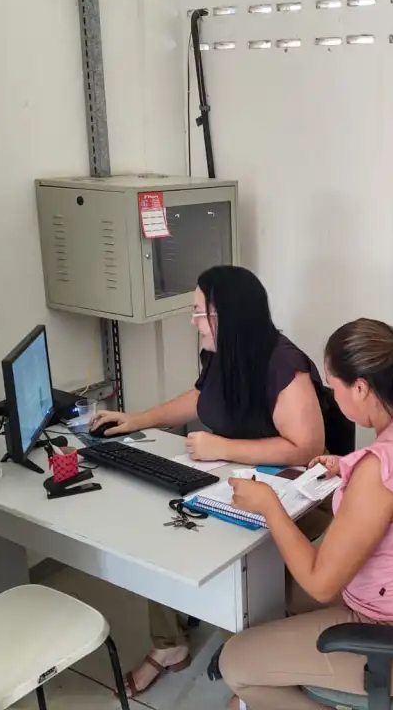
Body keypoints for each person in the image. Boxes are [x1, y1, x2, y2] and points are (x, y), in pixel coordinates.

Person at [89, 265, 328, 698]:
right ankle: (169, 645)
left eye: (199, 312)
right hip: (229, 482)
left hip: (285, 499)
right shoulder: (222, 351)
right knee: (164, 528)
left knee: (213, 550)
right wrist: (138, 419)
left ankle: (252, 668)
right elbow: (201, 397)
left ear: (226, 317)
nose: (192, 321)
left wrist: (222, 446)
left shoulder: (282, 363)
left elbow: (306, 448)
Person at [219, 319, 393, 710]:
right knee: (269, 589)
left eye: (332, 385)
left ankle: (263, 685)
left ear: (360, 388)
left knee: (235, 663)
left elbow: (321, 584)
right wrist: (350, 466)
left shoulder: (380, 471)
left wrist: (269, 505)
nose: (332, 395)